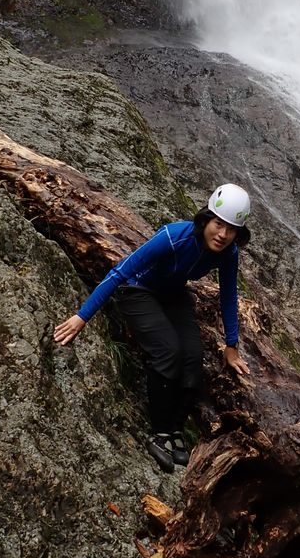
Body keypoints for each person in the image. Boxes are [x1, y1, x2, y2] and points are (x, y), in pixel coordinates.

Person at [54, 182, 252, 472]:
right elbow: (120, 272)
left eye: (231, 229)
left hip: (173, 293)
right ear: (205, 219)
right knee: (168, 350)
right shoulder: (173, 237)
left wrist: (231, 346)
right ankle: (159, 433)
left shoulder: (228, 252)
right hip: (138, 290)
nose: (222, 234)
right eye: (218, 224)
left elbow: (229, 295)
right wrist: (82, 316)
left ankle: (175, 430)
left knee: (193, 357)